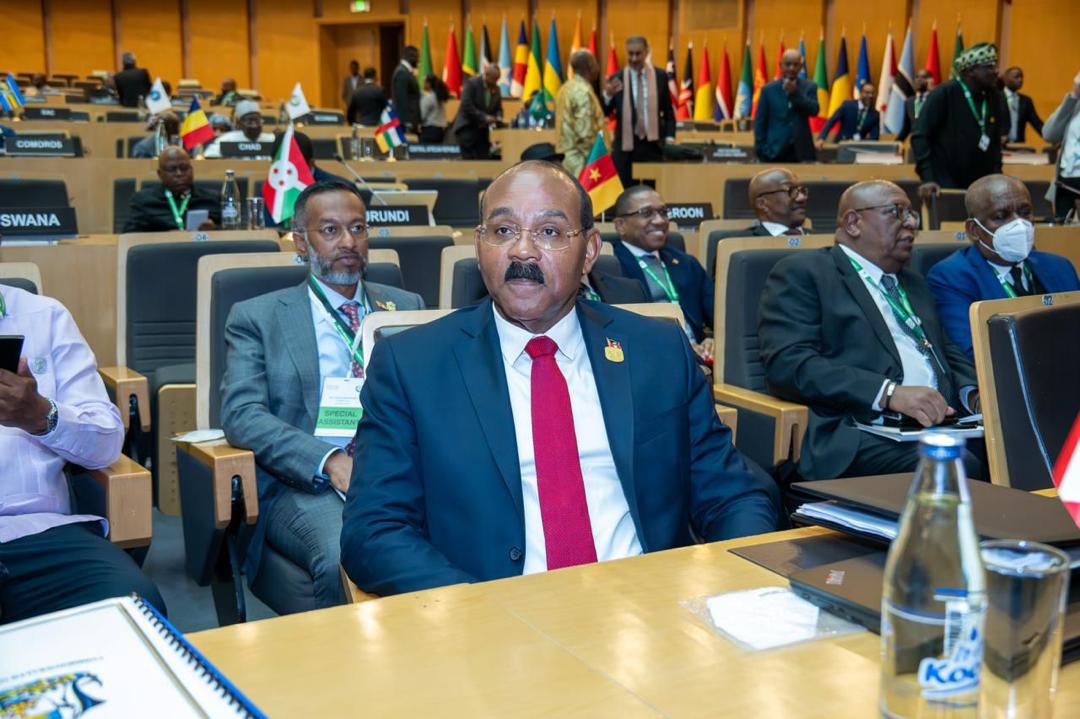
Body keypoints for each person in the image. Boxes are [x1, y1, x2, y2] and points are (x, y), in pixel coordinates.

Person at [340, 161, 777, 596]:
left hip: (653, 607)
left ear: (589, 251)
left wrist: (733, 589)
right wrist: (479, 609)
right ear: (479, 245)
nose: (522, 251)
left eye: (549, 232)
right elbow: (374, 531)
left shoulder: (657, 351)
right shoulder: (412, 366)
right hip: (493, 614)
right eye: (503, 230)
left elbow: (734, 495)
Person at [220, 180, 423, 611]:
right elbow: (242, 414)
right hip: (308, 484)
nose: (348, 241)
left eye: (358, 228)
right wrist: (329, 461)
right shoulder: (258, 317)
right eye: (330, 230)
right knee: (345, 553)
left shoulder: (407, 307)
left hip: (401, 471)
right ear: (300, 241)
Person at [758, 180, 982, 481]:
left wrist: (973, 395)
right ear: (853, 222)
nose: (911, 223)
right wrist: (887, 393)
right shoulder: (805, 272)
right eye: (897, 212)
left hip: (935, 423)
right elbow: (788, 364)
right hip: (857, 429)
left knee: (1011, 443)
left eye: (912, 214)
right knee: (954, 463)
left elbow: (945, 350)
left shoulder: (912, 281)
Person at [0, 262, 165, 624]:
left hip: (37, 531)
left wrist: (40, 416)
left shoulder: (46, 317)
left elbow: (106, 441)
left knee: (133, 609)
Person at [927, 175, 1080, 358]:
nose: (1018, 224)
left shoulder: (1060, 267)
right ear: (974, 230)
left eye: (1025, 212)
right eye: (1001, 216)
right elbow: (974, 352)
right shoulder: (951, 277)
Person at [610, 185, 714, 353]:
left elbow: (718, 314)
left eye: (663, 212)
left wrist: (714, 339)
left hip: (699, 356)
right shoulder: (609, 268)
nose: (660, 221)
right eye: (646, 213)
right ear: (620, 225)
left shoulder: (686, 263)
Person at [913, 43, 1008, 201]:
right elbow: (920, 136)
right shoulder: (944, 93)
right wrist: (928, 178)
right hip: (944, 183)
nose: (996, 71)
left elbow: (995, 143)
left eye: (995, 66)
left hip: (982, 185)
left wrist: (997, 177)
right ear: (970, 71)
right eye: (989, 67)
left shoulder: (995, 97)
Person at [705, 168, 810, 278]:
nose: (802, 197)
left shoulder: (821, 240)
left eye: (801, 191)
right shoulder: (737, 249)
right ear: (762, 204)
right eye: (791, 191)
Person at [602, 36, 676, 186]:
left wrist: (669, 139)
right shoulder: (617, 78)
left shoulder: (660, 76)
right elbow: (605, 112)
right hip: (625, 147)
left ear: (646, 52)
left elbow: (668, 112)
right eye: (630, 54)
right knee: (626, 192)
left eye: (638, 53)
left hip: (653, 145)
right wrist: (608, 96)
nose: (634, 58)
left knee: (652, 191)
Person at [123, 147, 219, 232]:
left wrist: (214, 230)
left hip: (200, 244)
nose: (179, 174)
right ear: (160, 174)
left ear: (192, 170)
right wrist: (165, 237)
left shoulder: (212, 199)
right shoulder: (143, 201)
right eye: (172, 169)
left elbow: (226, 231)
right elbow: (130, 235)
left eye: (184, 168)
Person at [754, 49, 819, 163]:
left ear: (801, 67)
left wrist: (795, 93)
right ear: (781, 65)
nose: (791, 68)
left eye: (795, 65)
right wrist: (762, 150)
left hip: (802, 153)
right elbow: (760, 123)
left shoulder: (809, 86)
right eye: (788, 64)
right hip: (774, 152)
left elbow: (814, 110)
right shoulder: (768, 90)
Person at [557, 50, 606, 177]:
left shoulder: (565, 88)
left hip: (565, 159)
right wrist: (597, 160)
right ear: (590, 66)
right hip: (582, 163)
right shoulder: (582, 92)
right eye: (596, 63)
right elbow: (585, 133)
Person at [1042, 70, 1080, 222]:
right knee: (1064, 230)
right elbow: (1049, 134)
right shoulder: (1074, 104)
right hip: (1066, 181)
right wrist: (1074, 96)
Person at [452, 65, 504, 159]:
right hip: (467, 128)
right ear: (487, 75)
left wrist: (498, 117)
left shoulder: (496, 89)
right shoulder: (472, 83)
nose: (495, 82)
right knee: (469, 162)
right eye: (494, 79)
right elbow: (466, 105)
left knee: (483, 160)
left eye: (497, 79)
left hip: (483, 132)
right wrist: (484, 117)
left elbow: (499, 108)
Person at [202, 99, 273, 158]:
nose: (254, 125)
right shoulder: (227, 139)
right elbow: (210, 155)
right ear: (240, 124)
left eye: (257, 121)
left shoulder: (271, 139)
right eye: (249, 121)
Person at [1001, 66, 1043, 145]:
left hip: (1018, 146)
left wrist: (1051, 137)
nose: (1020, 80)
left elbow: (1037, 124)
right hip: (999, 146)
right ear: (1006, 79)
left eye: (1021, 77)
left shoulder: (1025, 101)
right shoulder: (996, 98)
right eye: (1016, 77)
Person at [895, 69, 934, 143]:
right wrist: (895, 144)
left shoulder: (934, 99)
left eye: (923, 77)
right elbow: (906, 128)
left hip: (932, 144)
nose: (919, 80)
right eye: (917, 77)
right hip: (915, 144)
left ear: (930, 80)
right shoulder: (909, 102)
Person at [392, 45, 422, 136]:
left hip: (410, 121)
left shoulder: (406, 71)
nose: (418, 60)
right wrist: (407, 122)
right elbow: (401, 99)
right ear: (411, 57)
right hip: (407, 123)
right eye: (417, 57)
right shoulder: (402, 72)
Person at [419, 74, 450, 143]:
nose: (423, 84)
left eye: (424, 82)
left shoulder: (428, 98)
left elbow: (421, 116)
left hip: (429, 132)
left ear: (429, 84)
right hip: (440, 132)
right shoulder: (439, 97)